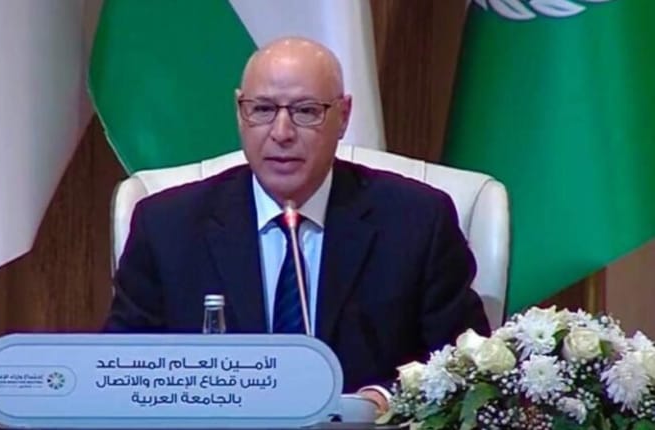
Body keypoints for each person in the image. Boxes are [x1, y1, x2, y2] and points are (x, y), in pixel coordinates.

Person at [104, 37, 490, 413]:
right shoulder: (167, 227)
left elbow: (465, 365)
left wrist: (383, 402)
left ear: (343, 116)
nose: (282, 133)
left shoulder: (417, 221)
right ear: (240, 112)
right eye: (262, 109)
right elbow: (121, 372)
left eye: (306, 111)